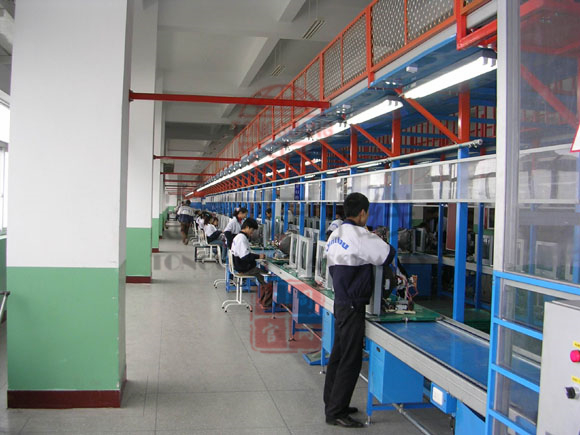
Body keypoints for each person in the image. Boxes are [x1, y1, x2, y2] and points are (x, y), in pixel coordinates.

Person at [323, 192, 396, 428]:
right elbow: (388, 254)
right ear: (363, 213)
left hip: (341, 301)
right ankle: (336, 412)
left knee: (338, 354)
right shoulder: (361, 235)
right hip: (354, 304)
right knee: (350, 359)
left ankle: (333, 403)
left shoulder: (335, 234)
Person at [231, 218, 273, 308]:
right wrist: (259, 256)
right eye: (252, 230)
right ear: (247, 227)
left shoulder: (239, 237)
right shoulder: (241, 238)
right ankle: (266, 304)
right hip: (244, 268)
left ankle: (263, 300)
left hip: (240, 266)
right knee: (268, 279)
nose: (252, 233)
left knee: (262, 276)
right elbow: (245, 257)